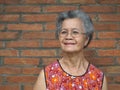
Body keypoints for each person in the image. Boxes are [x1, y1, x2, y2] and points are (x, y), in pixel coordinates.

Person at [33, 10, 108, 90]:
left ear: (86, 39)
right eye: (64, 32)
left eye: (75, 32)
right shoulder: (47, 75)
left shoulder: (98, 78)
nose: (68, 37)